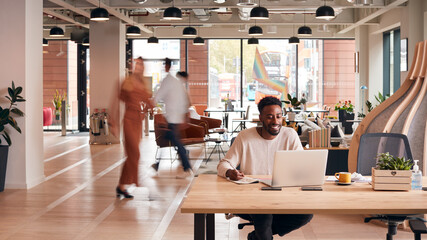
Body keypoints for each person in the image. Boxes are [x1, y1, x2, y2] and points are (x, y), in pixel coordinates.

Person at [217, 96, 313, 240]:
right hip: (253, 197)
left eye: (278, 116)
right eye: (269, 117)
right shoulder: (245, 137)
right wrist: (230, 172)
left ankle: (256, 236)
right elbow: (223, 164)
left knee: (306, 214)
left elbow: (301, 165)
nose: (275, 121)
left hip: (282, 195)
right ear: (260, 118)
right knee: (264, 216)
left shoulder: (290, 135)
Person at [113, 57, 153, 198]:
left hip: (138, 122)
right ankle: (136, 180)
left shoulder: (143, 84)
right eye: (137, 65)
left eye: (141, 65)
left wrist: (153, 109)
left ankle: (121, 186)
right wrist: (115, 123)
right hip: (129, 120)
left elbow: (148, 101)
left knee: (131, 155)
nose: (139, 68)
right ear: (133, 67)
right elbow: (116, 103)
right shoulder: (127, 82)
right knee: (135, 153)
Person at [154, 59, 192, 178]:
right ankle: (157, 164)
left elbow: (159, 96)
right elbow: (183, 101)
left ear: (167, 66)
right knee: (168, 140)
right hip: (173, 117)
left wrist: (150, 105)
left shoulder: (168, 81)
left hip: (173, 118)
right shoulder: (175, 83)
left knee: (176, 143)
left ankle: (187, 168)